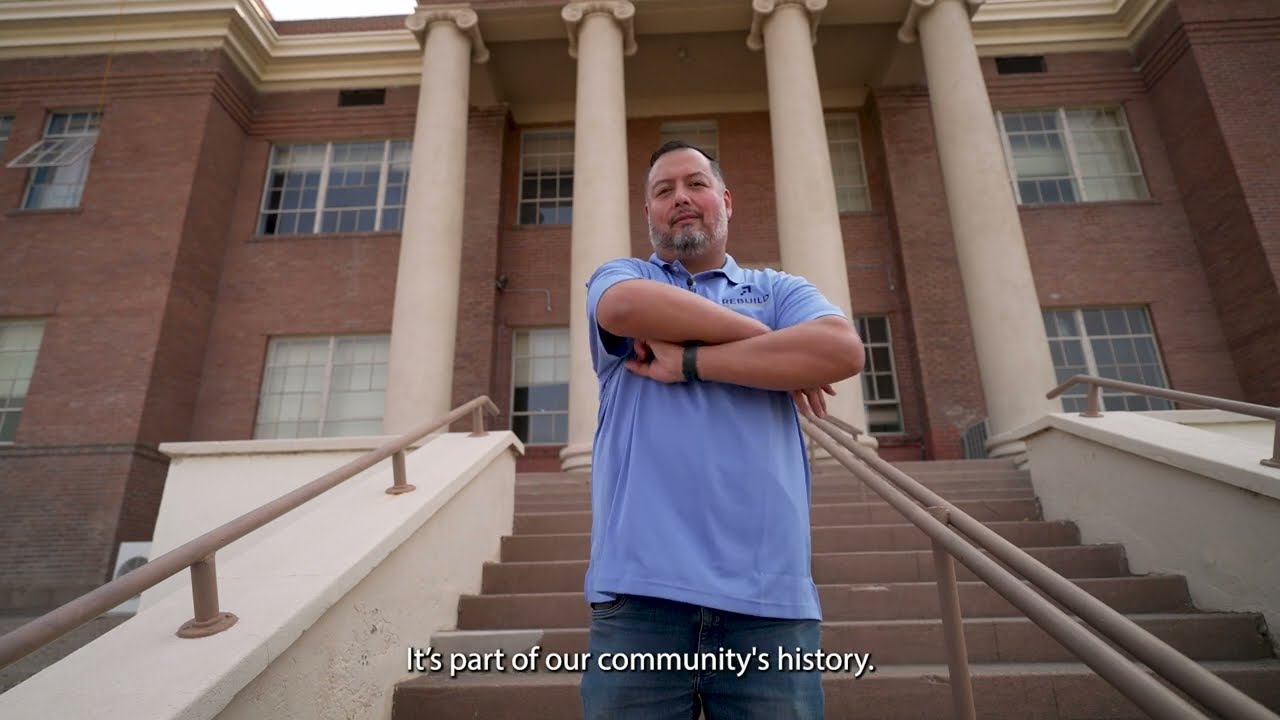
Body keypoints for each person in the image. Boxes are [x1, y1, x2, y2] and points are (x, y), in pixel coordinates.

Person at [578, 140, 866, 719]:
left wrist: (691, 362)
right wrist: (775, 351)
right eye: (664, 191)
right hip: (641, 599)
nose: (681, 198)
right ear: (649, 213)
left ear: (726, 201)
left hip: (771, 605)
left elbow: (840, 350)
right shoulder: (624, 274)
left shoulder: (782, 290)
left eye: (696, 184)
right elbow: (623, 309)